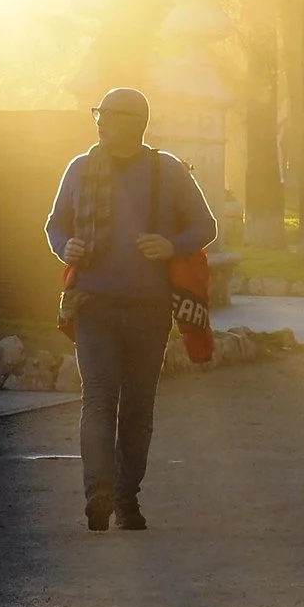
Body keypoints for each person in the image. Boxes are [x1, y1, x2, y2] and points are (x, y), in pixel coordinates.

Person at [44, 88, 216, 531]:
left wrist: (170, 245)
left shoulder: (167, 171)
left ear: (136, 121)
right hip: (93, 303)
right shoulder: (81, 169)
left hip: (149, 309)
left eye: (109, 114)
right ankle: (97, 494)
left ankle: (127, 498)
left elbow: (205, 225)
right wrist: (68, 246)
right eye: (97, 112)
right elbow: (55, 224)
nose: (99, 121)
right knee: (99, 399)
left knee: (138, 406)